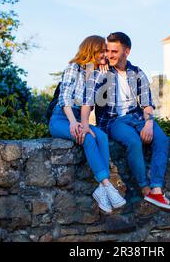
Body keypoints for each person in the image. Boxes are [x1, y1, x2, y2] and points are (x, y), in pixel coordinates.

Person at [83, 32, 170, 212]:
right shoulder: (99, 71)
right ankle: (145, 189)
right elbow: (88, 101)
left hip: (138, 117)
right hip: (113, 121)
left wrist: (148, 124)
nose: (109, 55)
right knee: (133, 141)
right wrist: (83, 123)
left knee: (162, 139)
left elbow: (147, 103)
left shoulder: (137, 72)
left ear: (127, 51)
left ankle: (156, 189)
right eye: (108, 51)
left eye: (114, 51)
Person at [49, 35, 126, 213]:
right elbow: (64, 98)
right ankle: (106, 185)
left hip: (79, 117)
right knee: (87, 138)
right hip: (62, 118)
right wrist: (73, 123)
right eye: (102, 50)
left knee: (101, 136)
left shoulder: (95, 72)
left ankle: (101, 190)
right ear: (91, 50)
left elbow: (92, 104)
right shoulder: (73, 68)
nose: (105, 54)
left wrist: (103, 77)